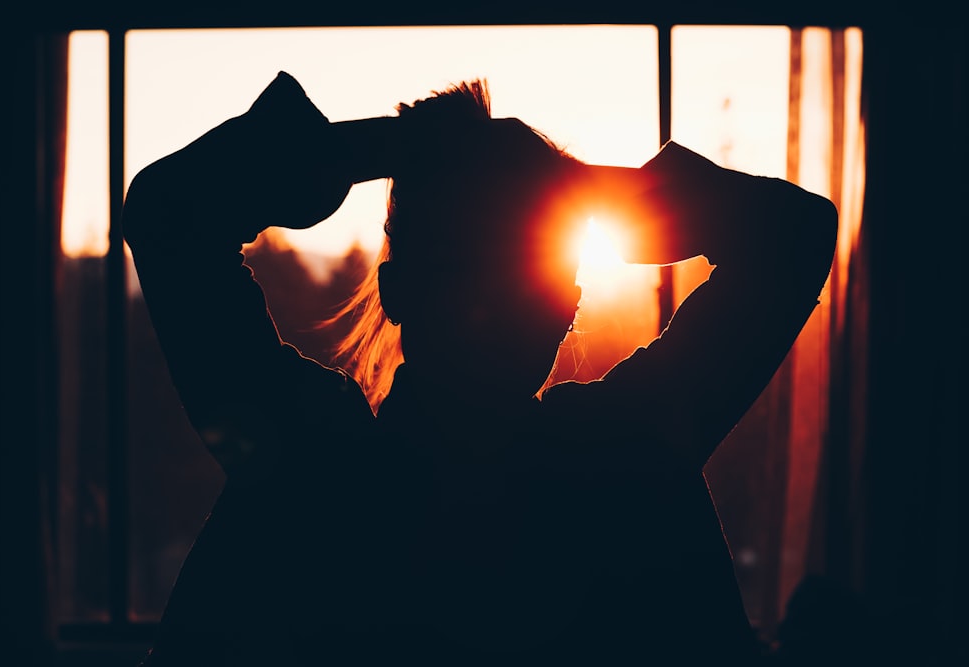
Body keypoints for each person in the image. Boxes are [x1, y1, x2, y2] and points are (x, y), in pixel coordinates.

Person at [123, 71, 837, 665]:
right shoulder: (626, 449)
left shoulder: (302, 457)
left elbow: (168, 212)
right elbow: (791, 234)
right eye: (476, 270)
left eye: (530, 275)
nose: (501, 306)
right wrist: (584, 188)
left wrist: (390, 146)